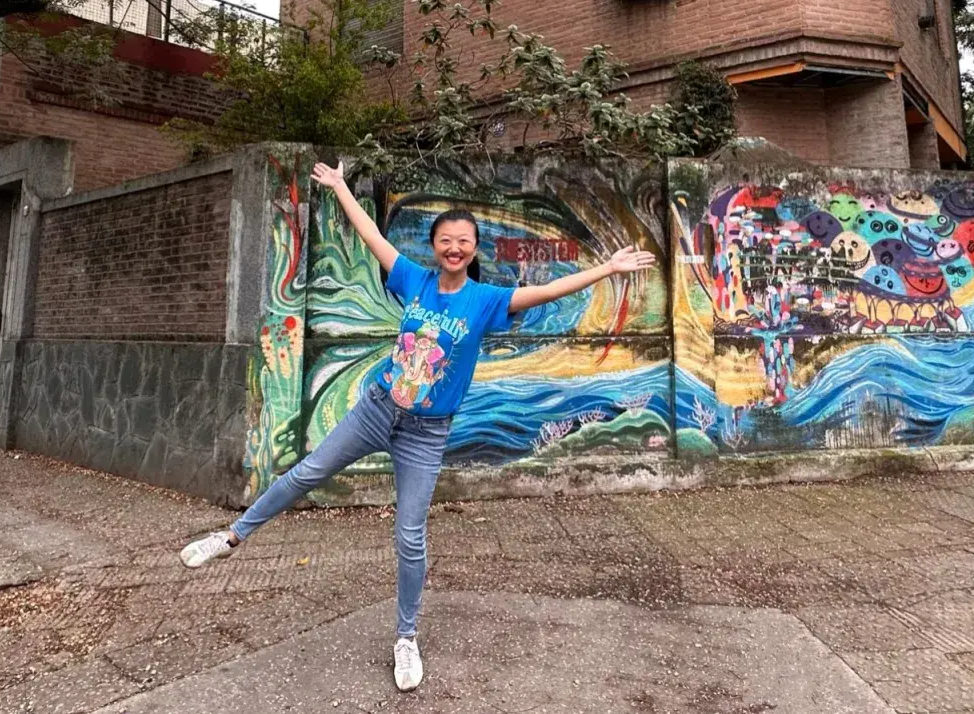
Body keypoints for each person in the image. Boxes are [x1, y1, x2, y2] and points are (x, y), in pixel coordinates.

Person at [180, 160, 656, 691]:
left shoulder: (485, 301)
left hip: (426, 433)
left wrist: (606, 270)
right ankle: (231, 537)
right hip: (377, 409)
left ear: (474, 249)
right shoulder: (413, 278)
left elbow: (548, 293)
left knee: (410, 536)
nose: (454, 248)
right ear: (434, 246)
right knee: (307, 472)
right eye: (446, 240)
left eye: (464, 242)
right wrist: (338, 187)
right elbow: (370, 235)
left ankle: (406, 638)